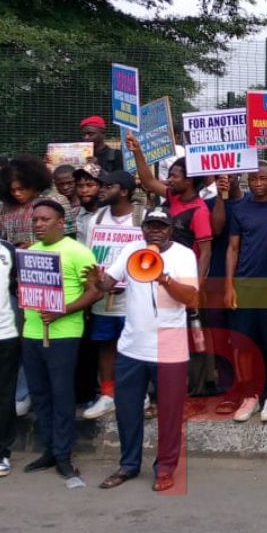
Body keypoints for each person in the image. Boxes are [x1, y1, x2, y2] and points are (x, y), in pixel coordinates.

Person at [93, 208, 199, 492]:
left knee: (170, 415)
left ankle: (165, 468)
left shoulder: (184, 255)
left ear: (171, 230)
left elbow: (190, 298)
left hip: (170, 350)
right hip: (131, 348)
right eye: (150, 226)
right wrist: (97, 280)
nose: (155, 231)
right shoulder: (131, 249)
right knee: (127, 411)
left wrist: (164, 278)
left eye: (161, 227)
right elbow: (108, 283)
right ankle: (128, 465)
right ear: (142, 229)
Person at [19, 199, 102, 480]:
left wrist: (61, 311)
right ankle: (49, 450)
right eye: (35, 220)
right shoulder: (31, 253)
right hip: (32, 333)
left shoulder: (78, 252)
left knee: (61, 394)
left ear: (60, 223)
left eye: (44, 219)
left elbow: (95, 291)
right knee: (40, 395)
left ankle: (64, 454)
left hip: (64, 334)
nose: (38, 224)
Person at [223, 162, 267, 423]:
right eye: (253, 179)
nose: (257, 183)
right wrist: (229, 285)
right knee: (243, 344)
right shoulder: (239, 209)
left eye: (262, 179)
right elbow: (233, 249)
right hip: (245, 285)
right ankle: (250, 395)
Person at [80, 170, 146, 421]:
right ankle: (107, 393)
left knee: (135, 346)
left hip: (134, 297)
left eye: (109, 186)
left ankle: (138, 393)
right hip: (104, 297)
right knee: (106, 345)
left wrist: (127, 280)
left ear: (125, 191)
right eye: (103, 185)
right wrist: (100, 282)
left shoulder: (142, 217)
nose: (102, 190)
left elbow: (149, 255)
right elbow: (91, 255)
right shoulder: (96, 218)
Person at [126, 134, 213, 285]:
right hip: (160, 267)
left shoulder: (199, 211)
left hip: (181, 273)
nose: (169, 180)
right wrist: (137, 151)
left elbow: (205, 252)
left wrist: (196, 286)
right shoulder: (173, 196)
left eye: (174, 177)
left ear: (189, 180)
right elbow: (148, 181)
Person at [0, 205, 21, 478]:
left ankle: (0, 452)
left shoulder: (8, 250)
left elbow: (17, 287)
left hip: (4, 336)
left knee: (3, 397)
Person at [0, 155, 69, 248]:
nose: (17, 193)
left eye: (21, 189)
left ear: (33, 184)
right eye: (12, 190)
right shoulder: (4, 208)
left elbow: (69, 238)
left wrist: (34, 247)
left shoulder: (56, 201)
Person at [72, 164, 103, 248]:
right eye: (80, 186)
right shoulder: (73, 215)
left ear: (100, 186)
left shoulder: (111, 214)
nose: (84, 190)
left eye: (90, 185)